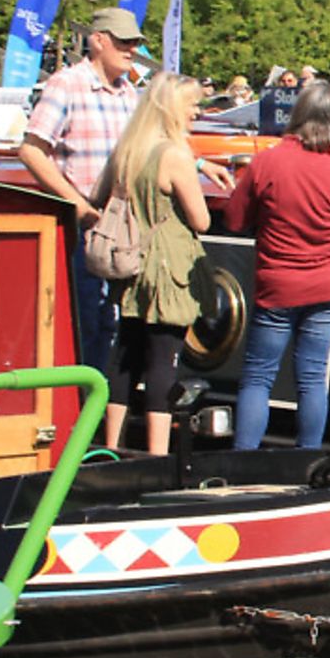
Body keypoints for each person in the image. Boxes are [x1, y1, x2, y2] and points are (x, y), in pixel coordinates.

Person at [20, 7, 232, 370]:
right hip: (86, 227)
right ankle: (85, 415)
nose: (131, 50)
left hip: (128, 233)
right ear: (97, 41)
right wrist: (78, 206)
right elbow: (31, 150)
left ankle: (105, 418)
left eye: (134, 43)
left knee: (114, 331)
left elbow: (151, 146)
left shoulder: (128, 93)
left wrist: (198, 164)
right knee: (86, 326)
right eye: (123, 42)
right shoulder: (67, 84)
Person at [224, 81, 330, 449]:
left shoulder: (268, 160)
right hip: (329, 285)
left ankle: (244, 463)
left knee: (258, 376)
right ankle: (308, 461)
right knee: (313, 377)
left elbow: (236, 220)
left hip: (278, 285)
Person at [97, 73, 210, 452]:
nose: (197, 111)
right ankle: (157, 456)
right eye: (191, 104)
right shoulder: (174, 155)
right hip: (167, 268)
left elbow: (99, 196)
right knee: (163, 359)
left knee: (125, 355)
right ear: (173, 109)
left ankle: (110, 446)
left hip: (129, 264)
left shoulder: (128, 148)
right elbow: (201, 220)